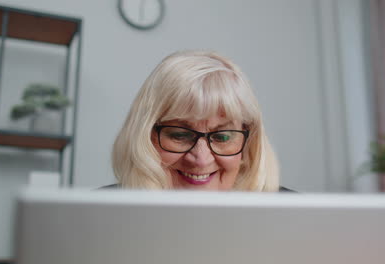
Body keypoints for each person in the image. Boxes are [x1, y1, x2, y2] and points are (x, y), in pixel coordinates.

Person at [108, 50, 287, 192]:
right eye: (180, 135)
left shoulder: (290, 218)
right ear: (144, 135)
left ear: (248, 144)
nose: (201, 160)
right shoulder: (96, 218)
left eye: (222, 137)